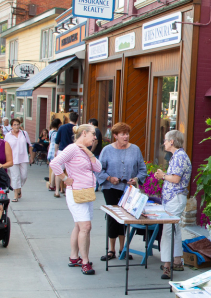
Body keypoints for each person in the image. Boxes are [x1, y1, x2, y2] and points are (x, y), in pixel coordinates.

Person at [50, 123, 102, 275]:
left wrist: (89, 152)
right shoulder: (72, 149)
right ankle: (85, 261)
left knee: (80, 226)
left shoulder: (84, 150)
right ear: (84, 133)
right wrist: (65, 178)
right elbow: (54, 163)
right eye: (93, 134)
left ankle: (74, 257)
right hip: (76, 192)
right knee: (85, 227)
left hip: (86, 193)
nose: (95, 137)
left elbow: (98, 168)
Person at [96, 122, 147, 261]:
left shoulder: (135, 149)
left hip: (128, 189)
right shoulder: (107, 150)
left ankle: (123, 248)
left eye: (127, 133)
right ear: (115, 136)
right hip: (111, 188)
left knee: (125, 218)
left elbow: (143, 169)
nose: (126, 136)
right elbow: (98, 169)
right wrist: (109, 178)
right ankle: (111, 249)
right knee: (113, 217)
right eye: (122, 134)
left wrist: (136, 179)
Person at [155, 130, 192, 279]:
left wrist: (162, 175)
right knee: (174, 229)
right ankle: (177, 261)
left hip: (175, 198)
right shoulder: (178, 156)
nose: (163, 143)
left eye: (165, 140)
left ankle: (167, 266)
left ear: (172, 141)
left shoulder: (179, 157)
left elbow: (176, 179)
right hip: (174, 198)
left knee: (168, 231)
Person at [4, 118, 32, 202]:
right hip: (12, 158)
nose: (16, 126)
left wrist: (31, 157)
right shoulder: (8, 135)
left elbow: (30, 145)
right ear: (11, 126)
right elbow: (5, 147)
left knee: (24, 176)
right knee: (15, 176)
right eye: (14, 125)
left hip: (23, 157)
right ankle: (15, 194)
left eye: (18, 124)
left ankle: (19, 188)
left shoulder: (24, 133)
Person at [55, 112, 78, 197]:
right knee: (70, 172)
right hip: (73, 152)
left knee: (59, 171)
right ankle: (67, 190)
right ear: (77, 119)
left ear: (69, 118)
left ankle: (57, 191)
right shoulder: (77, 129)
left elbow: (57, 141)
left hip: (62, 151)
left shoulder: (62, 127)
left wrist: (55, 151)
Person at [46, 117, 61, 195]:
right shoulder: (56, 133)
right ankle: (52, 184)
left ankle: (52, 184)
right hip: (54, 149)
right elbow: (57, 142)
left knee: (53, 168)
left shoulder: (51, 131)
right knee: (55, 169)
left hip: (51, 148)